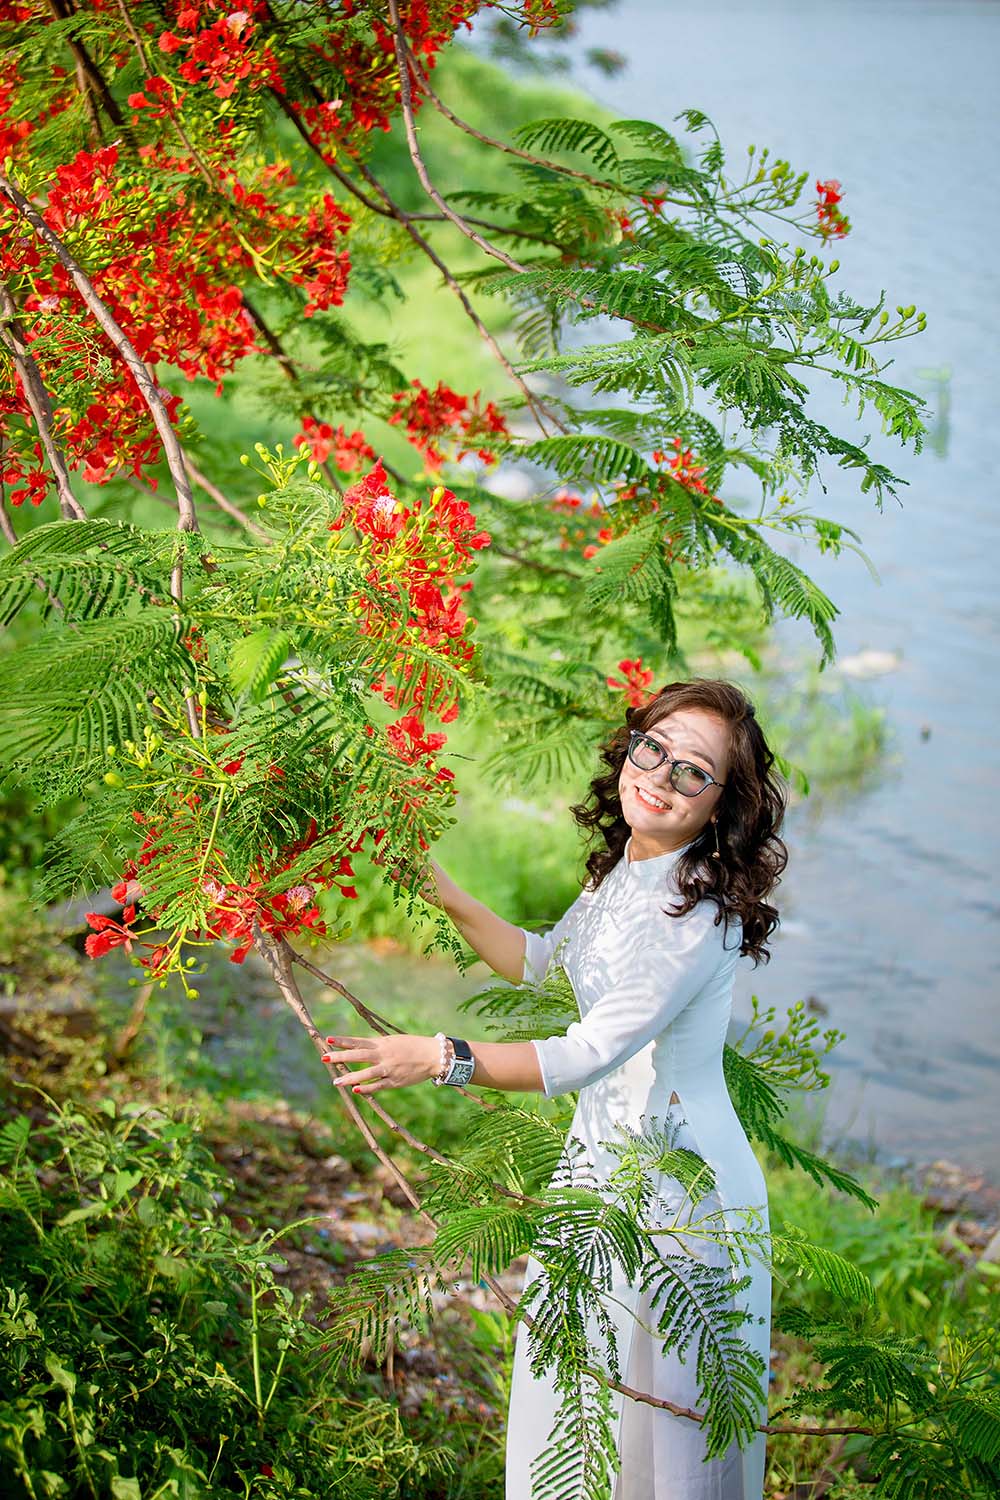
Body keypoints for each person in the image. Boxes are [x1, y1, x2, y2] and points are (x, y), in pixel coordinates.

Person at [321, 677, 788, 1499]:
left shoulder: (699, 914)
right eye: (654, 748)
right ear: (630, 746)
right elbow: (548, 968)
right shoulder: (629, 873)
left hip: (682, 1189)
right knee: (580, 1408)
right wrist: (442, 891)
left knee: (668, 1423)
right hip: (603, 1168)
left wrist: (439, 1055)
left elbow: (585, 1053)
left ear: (722, 805)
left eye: (693, 771)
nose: (662, 775)